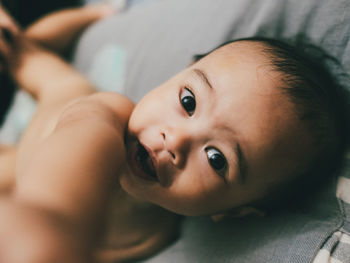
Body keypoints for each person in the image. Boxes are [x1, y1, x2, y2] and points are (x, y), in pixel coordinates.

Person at [0, 4, 348, 263]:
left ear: (234, 212)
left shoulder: (156, 239)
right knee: (36, 59)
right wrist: (49, 219)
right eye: (188, 100)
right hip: (40, 140)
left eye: (216, 159)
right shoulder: (104, 114)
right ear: (177, 76)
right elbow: (78, 151)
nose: (177, 140)